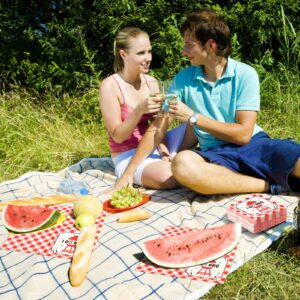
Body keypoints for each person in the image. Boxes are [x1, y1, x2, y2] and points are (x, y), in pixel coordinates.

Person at [117, 9, 300, 195]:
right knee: (182, 165)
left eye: (189, 45)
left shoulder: (245, 74)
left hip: (254, 145)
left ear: (210, 45)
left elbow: (244, 134)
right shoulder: (183, 79)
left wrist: (194, 118)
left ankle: (242, 180)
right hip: (214, 154)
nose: (184, 51)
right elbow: (158, 127)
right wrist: (128, 172)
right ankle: (268, 186)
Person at [99, 27, 187, 190]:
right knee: (170, 178)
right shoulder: (110, 86)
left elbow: (159, 124)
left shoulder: (151, 82)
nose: (148, 58)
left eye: (149, 52)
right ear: (123, 54)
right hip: (128, 155)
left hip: (154, 144)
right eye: (141, 53)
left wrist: (164, 150)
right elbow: (118, 136)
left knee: (197, 123)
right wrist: (139, 110)